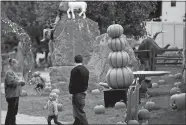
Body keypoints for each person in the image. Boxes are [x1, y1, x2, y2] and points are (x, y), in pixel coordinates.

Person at [69, 55, 89, 125]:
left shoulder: (75, 70)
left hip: (77, 94)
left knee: (80, 112)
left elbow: (72, 83)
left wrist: (71, 93)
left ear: (74, 61)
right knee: (77, 111)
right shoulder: (86, 70)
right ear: (82, 61)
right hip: (83, 92)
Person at [4, 58, 25, 125]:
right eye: (16, 63)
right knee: (11, 112)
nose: (17, 65)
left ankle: (13, 123)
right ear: (12, 64)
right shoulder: (9, 72)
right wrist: (19, 81)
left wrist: (22, 82)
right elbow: (11, 83)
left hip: (16, 95)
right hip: (11, 95)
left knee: (14, 112)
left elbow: (17, 83)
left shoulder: (14, 73)